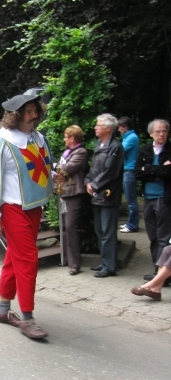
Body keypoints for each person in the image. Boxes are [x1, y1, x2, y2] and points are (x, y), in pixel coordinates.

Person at [0, 93, 53, 339]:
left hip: (33, 206)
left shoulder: (38, 139)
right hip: (11, 209)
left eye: (35, 110)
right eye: (29, 111)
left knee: (14, 258)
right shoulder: (1, 144)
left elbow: (42, 169)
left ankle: (2, 310)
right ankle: (27, 318)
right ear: (16, 115)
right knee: (28, 259)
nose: (34, 115)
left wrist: (55, 178)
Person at [84, 114, 124, 278]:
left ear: (108, 128)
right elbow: (93, 168)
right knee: (100, 230)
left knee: (108, 231)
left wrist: (94, 184)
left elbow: (110, 172)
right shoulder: (99, 144)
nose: (95, 127)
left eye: (98, 124)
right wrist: (87, 181)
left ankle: (110, 266)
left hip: (108, 195)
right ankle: (105, 261)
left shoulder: (115, 147)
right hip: (97, 194)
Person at [134, 119, 171, 283]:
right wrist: (159, 169)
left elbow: (168, 173)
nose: (161, 134)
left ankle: (162, 275)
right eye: (158, 131)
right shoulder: (145, 150)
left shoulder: (170, 150)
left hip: (164, 198)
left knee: (164, 237)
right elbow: (137, 173)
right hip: (148, 198)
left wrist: (147, 168)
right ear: (151, 134)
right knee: (153, 237)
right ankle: (157, 270)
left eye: (164, 131)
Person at [52, 125, 89, 275]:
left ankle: (75, 264)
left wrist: (56, 166)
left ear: (73, 138)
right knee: (64, 227)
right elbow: (62, 170)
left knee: (71, 226)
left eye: (66, 137)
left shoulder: (81, 152)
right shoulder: (68, 152)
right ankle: (66, 258)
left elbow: (67, 168)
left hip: (73, 193)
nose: (64, 139)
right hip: (63, 193)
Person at [117, 117, 140, 232]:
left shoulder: (132, 137)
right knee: (129, 198)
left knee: (131, 200)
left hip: (130, 171)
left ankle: (132, 225)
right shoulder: (127, 137)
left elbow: (121, 151)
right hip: (126, 170)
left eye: (120, 127)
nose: (119, 129)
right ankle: (130, 223)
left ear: (125, 126)